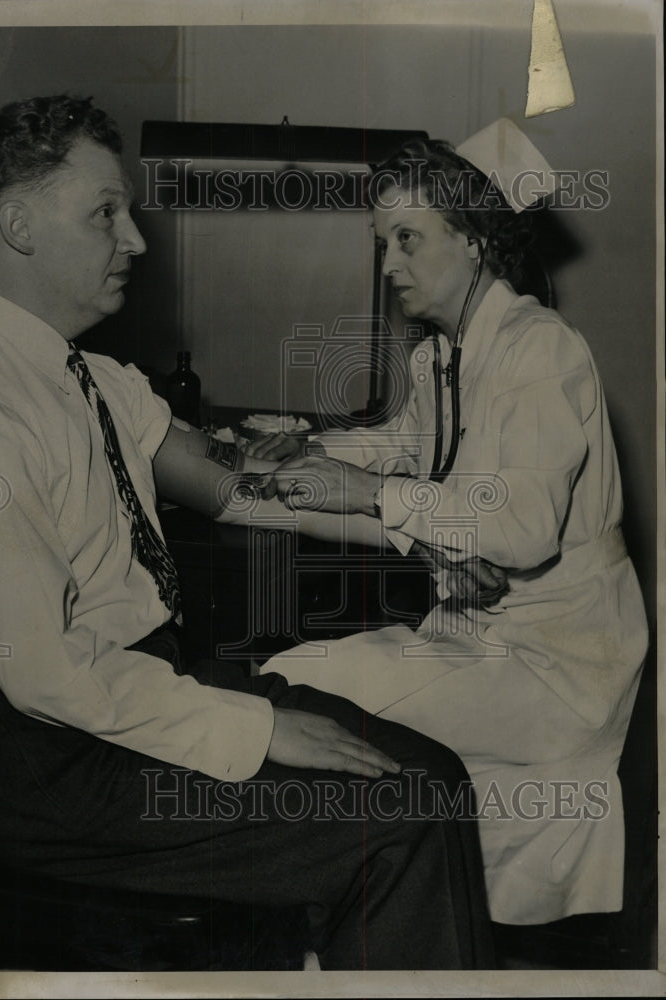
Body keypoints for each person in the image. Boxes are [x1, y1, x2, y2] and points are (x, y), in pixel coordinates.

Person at [0, 95, 496, 971]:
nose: (134, 240)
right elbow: (48, 681)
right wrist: (255, 730)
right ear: (17, 225)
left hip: (127, 692)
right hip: (47, 761)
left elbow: (231, 485)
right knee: (399, 820)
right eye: (105, 213)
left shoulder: (87, 376)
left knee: (430, 774)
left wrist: (415, 531)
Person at [254, 132, 649, 926]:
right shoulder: (448, 357)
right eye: (382, 242)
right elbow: (400, 446)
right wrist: (304, 443)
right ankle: (378, 906)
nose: (388, 263)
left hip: (557, 668)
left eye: (407, 239)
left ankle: (323, 909)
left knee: (300, 691)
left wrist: (367, 492)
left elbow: (520, 526)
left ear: (471, 241)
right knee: (300, 682)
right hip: (480, 633)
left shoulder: (540, 351)